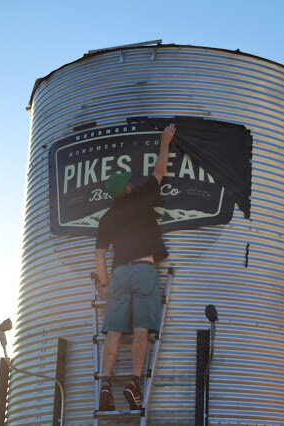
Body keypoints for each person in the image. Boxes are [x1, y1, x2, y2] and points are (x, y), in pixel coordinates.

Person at [95, 123, 176, 411]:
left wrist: (106, 286)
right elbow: (160, 169)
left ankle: (105, 385)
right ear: (128, 188)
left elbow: (99, 255)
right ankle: (134, 384)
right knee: (141, 328)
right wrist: (165, 141)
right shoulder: (142, 197)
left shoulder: (106, 218)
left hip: (118, 274)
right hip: (143, 270)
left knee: (114, 331)